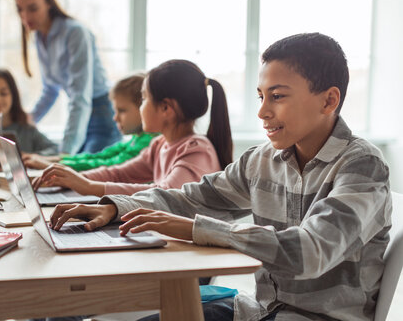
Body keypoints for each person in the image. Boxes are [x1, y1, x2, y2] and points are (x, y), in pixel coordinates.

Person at [47, 33, 391, 321]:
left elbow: (310, 252)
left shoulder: (362, 167)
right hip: (260, 312)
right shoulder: (261, 160)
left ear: (329, 100)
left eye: (278, 96)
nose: (262, 111)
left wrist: (198, 229)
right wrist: (116, 207)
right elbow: (190, 198)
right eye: (261, 96)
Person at [32, 59, 233, 197]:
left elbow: (164, 194)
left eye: (144, 98)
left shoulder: (197, 149)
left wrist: (89, 186)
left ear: (165, 108)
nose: (141, 106)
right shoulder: (159, 145)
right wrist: (71, 179)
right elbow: (117, 174)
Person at [13, 0, 121, 155]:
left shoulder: (75, 33)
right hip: (81, 115)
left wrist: (65, 153)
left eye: (32, 8)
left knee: (83, 173)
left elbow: (80, 97)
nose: (25, 16)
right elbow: (50, 89)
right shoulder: (40, 36)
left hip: (101, 115)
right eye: (20, 9)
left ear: (48, 3)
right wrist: (28, 120)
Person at [22, 73, 157, 171]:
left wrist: (53, 165)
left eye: (121, 111)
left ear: (143, 106)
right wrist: (50, 160)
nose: (115, 118)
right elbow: (100, 156)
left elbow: (110, 165)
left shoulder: (148, 143)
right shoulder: (135, 140)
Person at [0, 67, 58, 159]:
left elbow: (54, 149)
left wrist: (32, 157)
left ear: (13, 96)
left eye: (3, 93)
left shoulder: (27, 130)